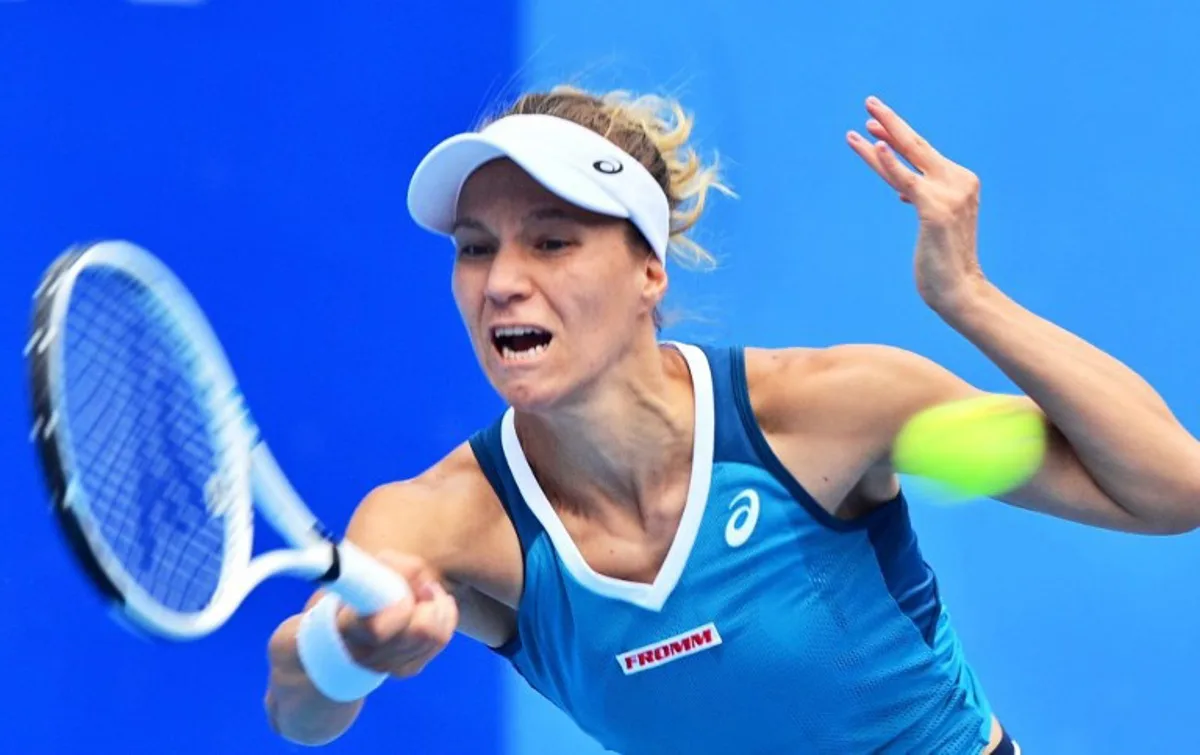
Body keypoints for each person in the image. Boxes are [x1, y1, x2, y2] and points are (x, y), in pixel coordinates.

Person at [263, 86, 1200, 753]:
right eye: (476, 249)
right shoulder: (445, 521)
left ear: (648, 273)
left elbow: (1170, 488)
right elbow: (299, 707)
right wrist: (345, 650)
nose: (503, 279)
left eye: (552, 240)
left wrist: (970, 299)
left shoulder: (825, 416)